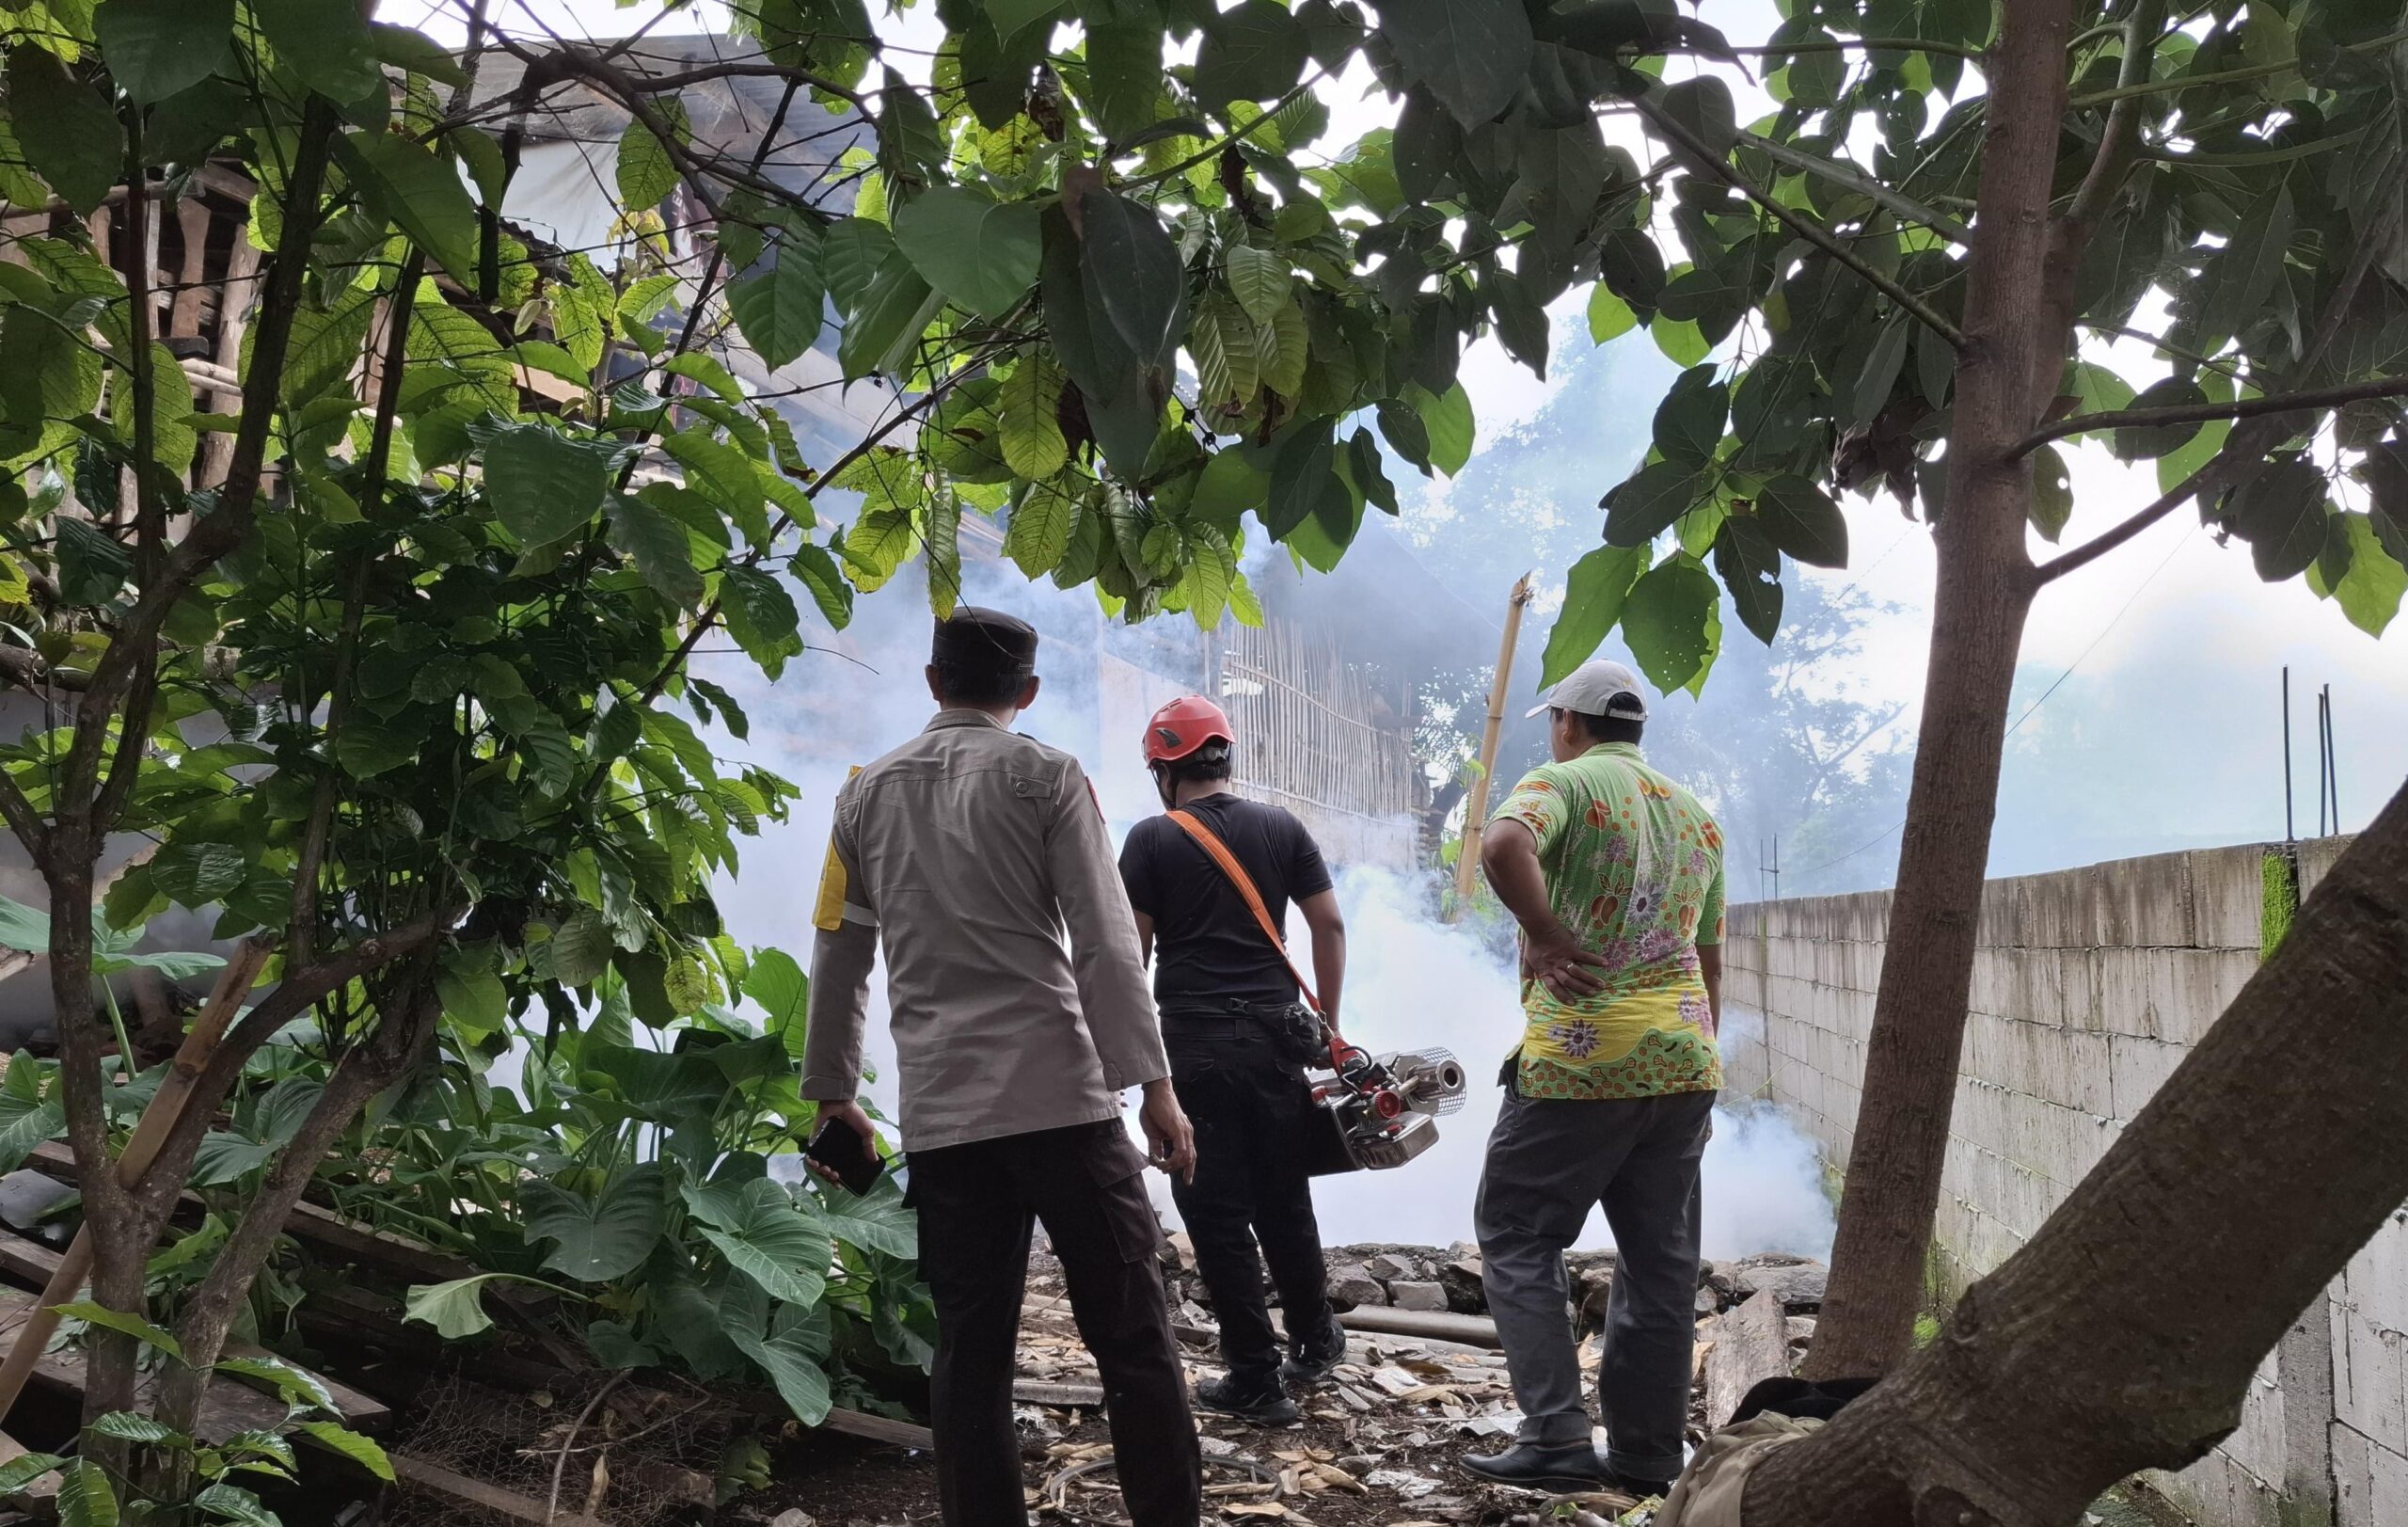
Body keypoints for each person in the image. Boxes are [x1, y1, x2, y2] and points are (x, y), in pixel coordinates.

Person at [802, 608, 1202, 1527]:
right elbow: (1105, 941)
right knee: (1134, 1338)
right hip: (1063, 1102)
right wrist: (1154, 1085)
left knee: (970, 1353)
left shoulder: (860, 797)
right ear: (1027, 691)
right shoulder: (1049, 775)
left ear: (932, 681)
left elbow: (839, 951)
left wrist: (833, 1093)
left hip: (945, 1117)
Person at [1464, 657, 1726, 1498]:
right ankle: (1649, 1457)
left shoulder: (1564, 783)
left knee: (1516, 1231)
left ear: (1568, 724)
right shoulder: (1698, 817)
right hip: (1683, 1061)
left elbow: (1501, 842)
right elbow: (1709, 958)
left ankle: (1554, 1436)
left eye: (1555, 724)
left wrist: (1543, 932)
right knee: (1660, 1263)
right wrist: (1699, 1053)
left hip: (1581, 1062)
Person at [1117, 696, 1351, 1424]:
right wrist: (1330, 1024)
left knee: (1215, 1210)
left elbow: (1130, 959)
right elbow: (1328, 923)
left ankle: (1255, 1376)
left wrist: (1137, 1068)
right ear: (1224, 757)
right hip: (1279, 1042)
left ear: (1164, 770)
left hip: (1196, 1049)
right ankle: (1314, 1340)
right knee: (1284, 1194)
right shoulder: (1282, 827)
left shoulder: (1151, 840)